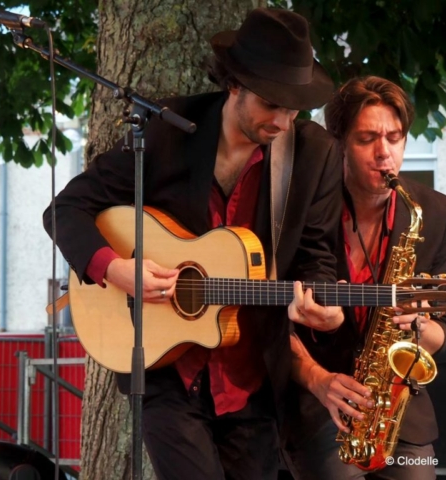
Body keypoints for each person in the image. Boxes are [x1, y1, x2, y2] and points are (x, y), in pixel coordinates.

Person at [43, 8, 344, 480]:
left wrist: (321, 303)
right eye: (272, 105)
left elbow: (318, 257)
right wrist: (114, 268)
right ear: (235, 85)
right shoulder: (166, 131)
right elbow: (65, 210)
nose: (284, 122)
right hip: (168, 370)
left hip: (254, 379)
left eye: (294, 108)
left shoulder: (314, 154)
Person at [285, 76, 446, 480]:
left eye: (395, 138)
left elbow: (441, 336)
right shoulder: (302, 210)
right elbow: (270, 325)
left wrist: (420, 325)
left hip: (398, 405)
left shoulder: (436, 213)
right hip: (322, 399)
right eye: (367, 139)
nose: (385, 154)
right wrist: (318, 380)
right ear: (338, 142)